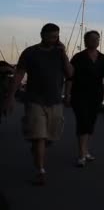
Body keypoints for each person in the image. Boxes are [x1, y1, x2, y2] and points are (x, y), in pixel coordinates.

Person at [3, 23, 73, 186]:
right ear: (42, 35)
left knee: (49, 137)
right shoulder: (30, 53)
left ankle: (37, 147)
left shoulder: (59, 53)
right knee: (39, 136)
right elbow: (19, 74)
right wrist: (10, 96)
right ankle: (40, 170)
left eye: (56, 36)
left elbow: (70, 73)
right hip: (35, 100)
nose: (53, 39)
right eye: (50, 36)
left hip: (55, 101)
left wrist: (63, 54)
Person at [65, 30, 104, 167]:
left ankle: (85, 151)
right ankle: (81, 155)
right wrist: (67, 94)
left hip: (96, 95)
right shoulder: (78, 57)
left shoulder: (103, 58)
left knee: (90, 122)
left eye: (97, 39)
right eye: (92, 39)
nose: (95, 41)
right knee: (83, 121)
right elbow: (70, 78)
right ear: (86, 41)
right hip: (79, 95)